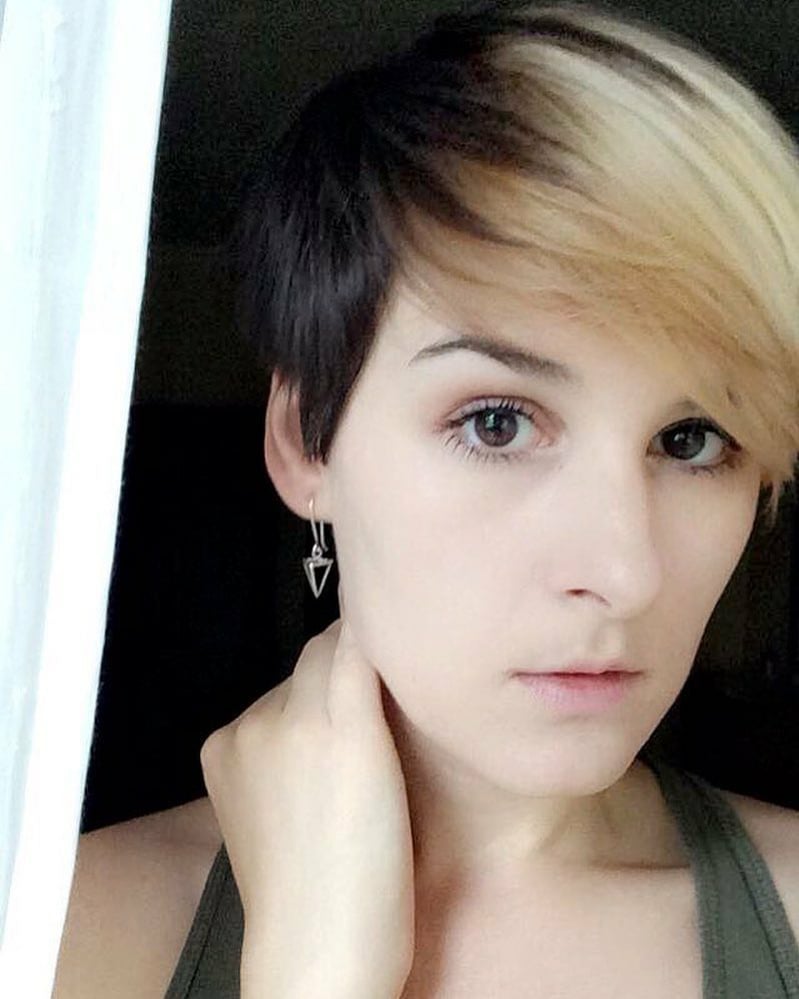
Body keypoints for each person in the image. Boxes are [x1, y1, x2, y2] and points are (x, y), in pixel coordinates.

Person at [54, 2, 799, 996]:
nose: (625, 573)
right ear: (307, 441)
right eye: (496, 423)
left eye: (691, 439)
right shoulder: (61, 930)